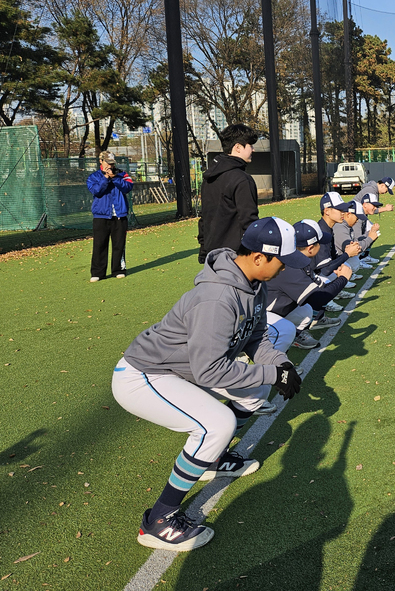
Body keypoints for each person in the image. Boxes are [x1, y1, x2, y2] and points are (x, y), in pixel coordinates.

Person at [112, 217, 309, 551]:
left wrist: (282, 365)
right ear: (259, 258)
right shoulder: (218, 298)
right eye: (282, 262)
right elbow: (210, 372)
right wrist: (272, 375)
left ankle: (215, 460)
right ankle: (159, 519)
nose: (284, 269)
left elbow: (256, 339)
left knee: (256, 390)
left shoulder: (252, 285)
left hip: (181, 369)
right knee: (217, 424)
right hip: (144, 375)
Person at [265, 219, 354, 351]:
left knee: (305, 311)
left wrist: (339, 279)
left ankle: (294, 337)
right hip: (255, 316)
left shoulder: (298, 259)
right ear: (311, 248)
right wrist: (343, 278)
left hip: (270, 309)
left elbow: (319, 291)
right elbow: (319, 299)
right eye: (320, 243)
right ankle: (274, 367)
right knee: (285, 330)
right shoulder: (291, 266)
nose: (322, 245)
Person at [197, 124, 260, 264]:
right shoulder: (242, 180)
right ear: (238, 147)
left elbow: (204, 219)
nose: (253, 149)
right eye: (250, 145)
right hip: (235, 258)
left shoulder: (209, 178)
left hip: (212, 256)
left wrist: (204, 251)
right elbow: (249, 221)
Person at [86, 151, 133, 282]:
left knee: (119, 244)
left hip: (119, 215)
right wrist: (106, 178)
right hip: (101, 216)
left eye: (112, 163)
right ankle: (97, 273)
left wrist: (115, 178)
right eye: (107, 162)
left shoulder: (122, 174)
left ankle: (119, 269)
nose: (110, 166)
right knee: (99, 244)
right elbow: (96, 191)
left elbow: (128, 187)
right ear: (101, 161)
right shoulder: (94, 177)